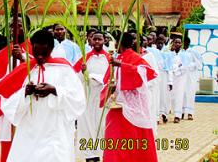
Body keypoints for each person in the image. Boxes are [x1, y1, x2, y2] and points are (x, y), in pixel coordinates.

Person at [0, 30, 86, 162]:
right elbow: (8, 100)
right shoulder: (25, 70)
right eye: (37, 53)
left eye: (44, 53)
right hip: (30, 127)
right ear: (32, 48)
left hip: (55, 129)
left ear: (51, 49)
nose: (40, 57)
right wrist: (25, 92)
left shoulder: (64, 69)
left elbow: (78, 98)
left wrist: (54, 90)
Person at [101, 32, 158, 162]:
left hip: (133, 106)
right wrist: (111, 87)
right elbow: (109, 79)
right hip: (118, 104)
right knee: (115, 138)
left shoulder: (135, 57)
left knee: (132, 138)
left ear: (118, 43)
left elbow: (145, 72)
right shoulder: (117, 58)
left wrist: (121, 65)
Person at [0, 15, 33, 161]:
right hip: (9, 107)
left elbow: (44, 69)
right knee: (9, 147)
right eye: (11, 25)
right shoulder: (3, 53)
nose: (14, 29)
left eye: (18, 25)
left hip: (30, 106)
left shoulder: (35, 49)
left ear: (27, 27)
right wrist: (8, 98)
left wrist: (24, 58)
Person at [74, 30, 110, 162]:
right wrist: (83, 73)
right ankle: (90, 155)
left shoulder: (109, 58)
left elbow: (113, 76)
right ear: (90, 41)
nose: (97, 42)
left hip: (103, 98)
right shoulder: (85, 58)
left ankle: (103, 152)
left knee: (102, 126)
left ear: (104, 41)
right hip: (88, 97)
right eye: (94, 39)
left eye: (99, 39)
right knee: (87, 125)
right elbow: (75, 77)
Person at [166, 37, 190, 123]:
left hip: (181, 78)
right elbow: (168, 66)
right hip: (171, 77)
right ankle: (168, 113)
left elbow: (186, 67)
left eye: (179, 43)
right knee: (171, 97)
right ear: (173, 43)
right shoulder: (169, 54)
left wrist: (177, 71)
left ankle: (177, 115)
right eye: (176, 42)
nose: (177, 44)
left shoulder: (185, 55)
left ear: (181, 44)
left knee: (179, 96)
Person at [182, 38, 202, 120]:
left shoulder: (193, 52)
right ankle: (182, 112)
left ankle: (190, 113)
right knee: (182, 94)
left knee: (190, 94)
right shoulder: (181, 52)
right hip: (182, 76)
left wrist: (190, 65)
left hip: (191, 77)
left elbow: (199, 63)